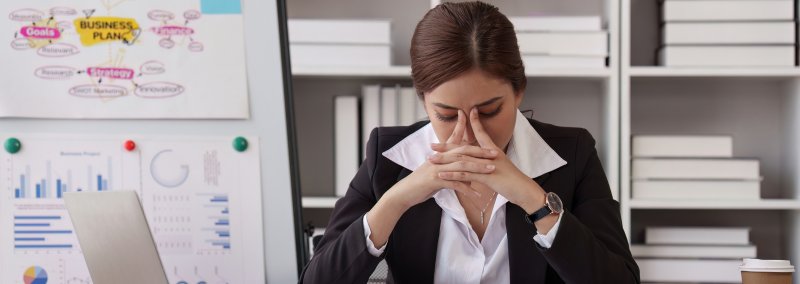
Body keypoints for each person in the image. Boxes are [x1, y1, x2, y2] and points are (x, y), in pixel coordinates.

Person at [298, 2, 639, 283]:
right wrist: (396, 201)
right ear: (423, 101)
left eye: (489, 111)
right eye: (446, 115)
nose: (470, 132)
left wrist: (532, 198)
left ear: (519, 91)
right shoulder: (388, 157)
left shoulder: (573, 154)